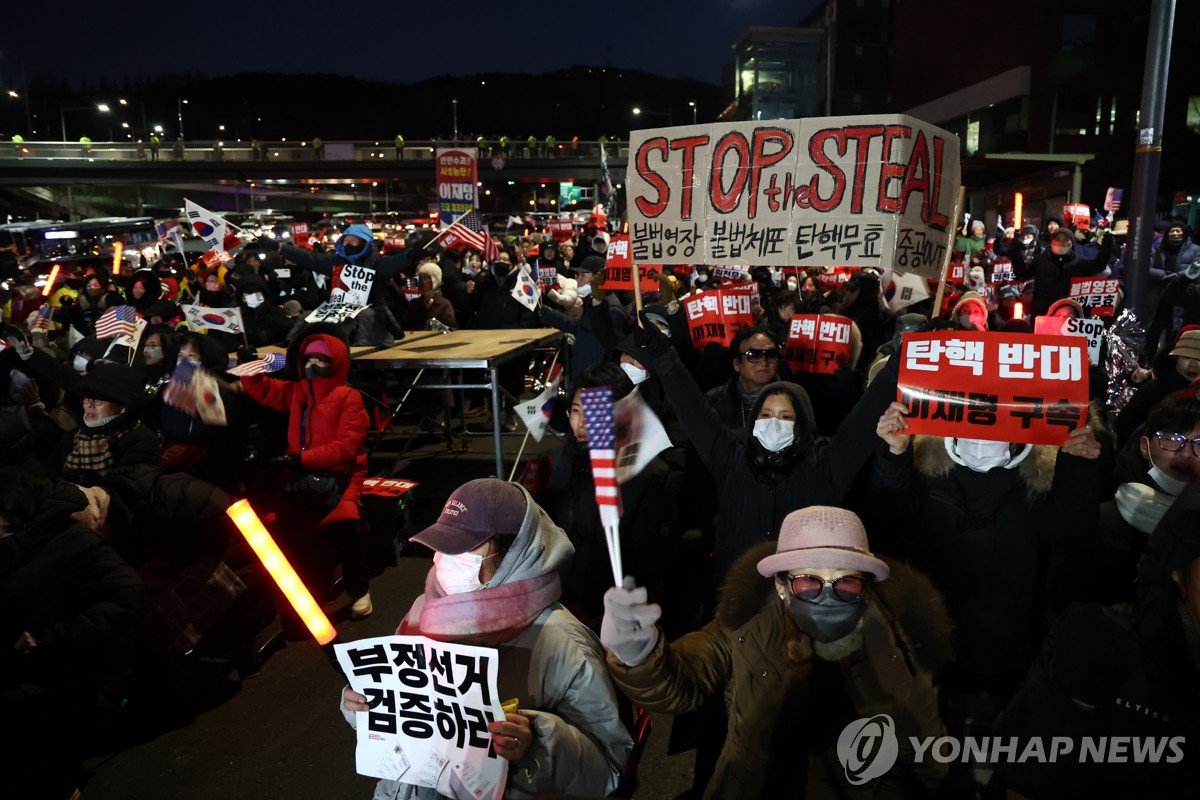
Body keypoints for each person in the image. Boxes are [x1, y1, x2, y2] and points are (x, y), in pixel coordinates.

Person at [600, 505, 952, 798]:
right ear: (781, 586)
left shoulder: (898, 644)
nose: (827, 595)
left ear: (866, 587)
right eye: (808, 582)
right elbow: (682, 681)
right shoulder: (743, 629)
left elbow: (927, 754)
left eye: (846, 582)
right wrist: (641, 655)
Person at [340, 479, 633, 799]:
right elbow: (405, 714)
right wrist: (367, 708)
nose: (445, 559)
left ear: (514, 551)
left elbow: (609, 768)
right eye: (443, 544)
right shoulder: (424, 608)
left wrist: (537, 743)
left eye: (465, 548)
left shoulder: (562, 642)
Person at [629, 311, 902, 576]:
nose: (774, 422)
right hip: (736, 597)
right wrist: (663, 355)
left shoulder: (826, 466)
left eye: (786, 416)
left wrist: (900, 360)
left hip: (803, 600)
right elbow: (693, 409)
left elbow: (861, 423)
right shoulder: (731, 458)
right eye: (766, 414)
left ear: (802, 425)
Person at [872, 398, 1105, 691]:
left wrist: (1078, 466)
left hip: (1011, 647)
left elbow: (1067, 534)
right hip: (934, 644)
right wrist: (894, 453)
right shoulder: (923, 458)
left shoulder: (1045, 469)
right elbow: (891, 519)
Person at [0, 467, 144, 800]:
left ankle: (60, 787)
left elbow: (129, 595)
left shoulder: (73, 540)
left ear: (13, 515)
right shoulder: (17, 549)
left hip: (82, 672)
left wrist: (48, 640)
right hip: (38, 660)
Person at [239, 325, 372, 620]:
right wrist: (248, 366)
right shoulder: (299, 391)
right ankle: (314, 586)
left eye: (321, 359)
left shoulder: (349, 397)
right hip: (303, 473)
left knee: (344, 527)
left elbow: (346, 448)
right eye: (308, 359)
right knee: (289, 526)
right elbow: (265, 391)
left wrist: (302, 459)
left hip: (343, 476)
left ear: (335, 362)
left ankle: (359, 589)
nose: (313, 365)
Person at [539, 364, 679, 626]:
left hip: (613, 614)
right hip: (558, 606)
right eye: (576, 411)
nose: (581, 424)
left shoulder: (650, 476)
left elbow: (649, 566)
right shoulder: (560, 464)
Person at [1054, 393, 1200, 608]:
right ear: (1144, 446)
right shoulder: (1103, 524)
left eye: (1199, 443)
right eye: (1171, 439)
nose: (1186, 453)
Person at [704, 326, 783, 430]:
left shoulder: (794, 400)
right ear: (736, 364)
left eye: (771, 354)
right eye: (754, 355)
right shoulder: (713, 400)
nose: (764, 362)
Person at [401, 262, 457, 331]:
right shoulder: (414, 303)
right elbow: (404, 329)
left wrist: (437, 326)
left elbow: (451, 332)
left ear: (435, 280)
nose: (422, 282)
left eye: (426, 278)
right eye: (420, 279)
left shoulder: (445, 305)